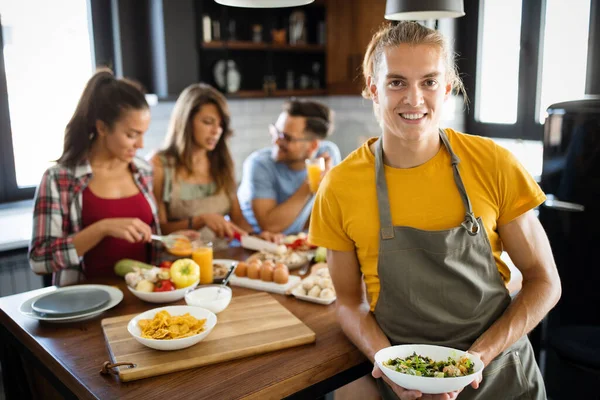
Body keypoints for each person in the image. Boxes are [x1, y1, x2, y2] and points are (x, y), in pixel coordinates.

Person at [308, 21, 561, 400]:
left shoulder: (494, 163)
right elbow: (349, 303)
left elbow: (544, 282)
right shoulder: (340, 186)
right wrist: (390, 367)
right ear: (374, 89)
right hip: (406, 382)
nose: (414, 99)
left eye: (428, 82)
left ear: (446, 89)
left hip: (501, 375)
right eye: (397, 82)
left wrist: (476, 359)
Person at [29, 69, 161, 287]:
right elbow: (39, 259)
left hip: (143, 302)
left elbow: (149, 242)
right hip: (84, 306)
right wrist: (102, 228)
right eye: (131, 135)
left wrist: (173, 242)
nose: (141, 145)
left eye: (143, 134)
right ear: (101, 127)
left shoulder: (143, 171)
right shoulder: (59, 179)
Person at [150, 83, 279, 249]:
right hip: (179, 264)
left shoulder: (222, 162)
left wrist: (259, 237)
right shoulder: (160, 165)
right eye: (208, 122)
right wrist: (200, 220)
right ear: (186, 121)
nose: (216, 131)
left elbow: (238, 220)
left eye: (220, 124)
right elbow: (159, 230)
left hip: (222, 261)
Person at [238, 99, 342, 235]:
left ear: (313, 146)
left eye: (286, 138)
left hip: (298, 241)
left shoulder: (328, 154)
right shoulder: (259, 164)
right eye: (276, 132)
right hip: (257, 245)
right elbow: (270, 226)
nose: (276, 140)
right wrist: (311, 183)